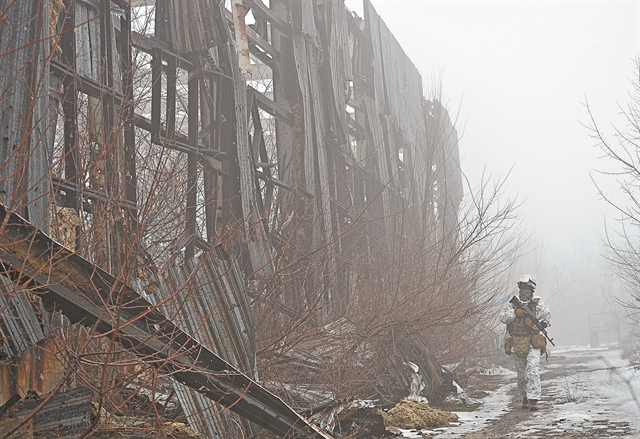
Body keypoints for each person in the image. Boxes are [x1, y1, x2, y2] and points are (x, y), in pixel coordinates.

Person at [500, 274, 551, 411]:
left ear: (532, 290)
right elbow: (503, 318)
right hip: (517, 342)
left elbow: (546, 321)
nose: (524, 292)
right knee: (521, 374)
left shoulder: (538, 305)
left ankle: (533, 399)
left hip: (532, 342)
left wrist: (534, 325)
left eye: (527, 289)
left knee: (533, 370)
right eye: (522, 289)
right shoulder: (511, 304)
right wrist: (516, 312)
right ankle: (524, 397)